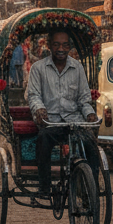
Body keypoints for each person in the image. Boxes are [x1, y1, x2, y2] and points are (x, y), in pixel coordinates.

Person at [25, 30, 100, 201]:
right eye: (57, 44)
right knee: (43, 140)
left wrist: (89, 115)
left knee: (92, 147)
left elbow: (83, 99)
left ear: (69, 47)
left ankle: (91, 189)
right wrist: (39, 110)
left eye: (65, 45)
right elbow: (34, 95)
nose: (61, 49)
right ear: (50, 46)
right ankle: (44, 186)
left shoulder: (77, 67)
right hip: (50, 122)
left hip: (74, 121)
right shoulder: (38, 68)